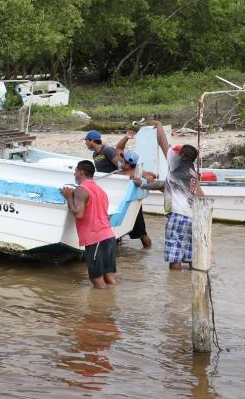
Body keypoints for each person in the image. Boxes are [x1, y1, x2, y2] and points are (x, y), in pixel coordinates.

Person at [133, 121, 205, 270]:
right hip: (192, 217)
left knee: (175, 255)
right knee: (190, 254)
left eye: (179, 153)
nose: (176, 154)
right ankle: (190, 281)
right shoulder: (193, 174)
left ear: (182, 155)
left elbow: (162, 142)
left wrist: (159, 125)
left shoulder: (176, 163)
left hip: (177, 215)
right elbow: (165, 186)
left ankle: (175, 282)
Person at [62, 160, 117, 288]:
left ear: (81, 172)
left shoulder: (81, 189)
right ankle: (114, 298)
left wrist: (69, 197)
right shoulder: (101, 191)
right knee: (109, 277)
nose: (74, 174)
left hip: (95, 238)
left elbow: (79, 214)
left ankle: (102, 301)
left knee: (96, 279)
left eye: (75, 171)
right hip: (109, 236)